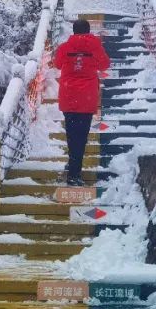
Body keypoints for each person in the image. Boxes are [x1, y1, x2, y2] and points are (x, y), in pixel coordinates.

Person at [52, 18, 110, 186]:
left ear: (74, 31)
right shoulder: (95, 46)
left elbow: (57, 64)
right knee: (81, 136)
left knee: (72, 135)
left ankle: (73, 167)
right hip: (86, 98)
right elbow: (105, 65)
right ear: (89, 30)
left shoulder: (65, 47)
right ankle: (74, 174)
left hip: (69, 96)